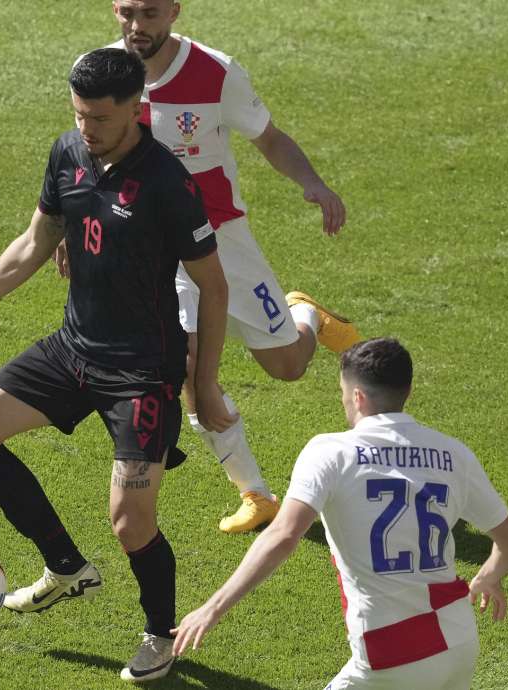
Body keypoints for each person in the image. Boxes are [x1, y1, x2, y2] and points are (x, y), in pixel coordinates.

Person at [0, 48, 231, 684]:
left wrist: (202, 385)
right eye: (78, 114)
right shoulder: (68, 152)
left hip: (142, 373)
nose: (86, 128)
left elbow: (213, 285)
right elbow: (35, 243)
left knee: (130, 521)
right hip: (72, 350)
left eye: (99, 118)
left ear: (135, 108)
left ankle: (160, 636)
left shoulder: (168, 184)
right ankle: (66, 568)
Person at [72, 0, 363, 534]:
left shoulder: (215, 72)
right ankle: (255, 493)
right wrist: (74, 224)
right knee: (185, 367)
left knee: (287, 367)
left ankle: (306, 315)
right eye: (128, 12)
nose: (138, 26)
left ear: (174, 12)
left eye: (151, 13)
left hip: (220, 239)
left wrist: (313, 184)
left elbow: (269, 137)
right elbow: (89, 152)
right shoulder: (102, 72)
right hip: (150, 247)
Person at [172, 338, 508, 689]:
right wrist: (487, 577)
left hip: (392, 652)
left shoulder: (331, 453)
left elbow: (283, 535)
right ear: (408, 391)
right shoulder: (454, 454)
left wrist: (211, 608)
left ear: (357, 397)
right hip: (458, 640)